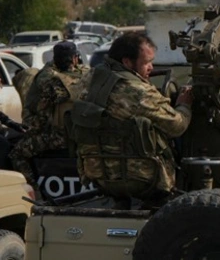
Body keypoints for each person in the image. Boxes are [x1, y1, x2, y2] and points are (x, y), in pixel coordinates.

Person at [70, 32, 193, 201]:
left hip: (98, 174)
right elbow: (178, 125)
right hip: (142, 177)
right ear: (127, 62)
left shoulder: (87, 79)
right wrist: (184, 104)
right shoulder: (138, 92)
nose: (151, 67)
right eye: (146, 63)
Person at [10, 41, 88, 185]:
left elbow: (42, 116)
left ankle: (34, 190)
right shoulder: (89, 75)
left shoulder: (52, 82)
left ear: (55, 59)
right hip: (87, 136)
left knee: (17, 153)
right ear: (75, 58)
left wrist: (29, 129)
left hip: (61, 138)